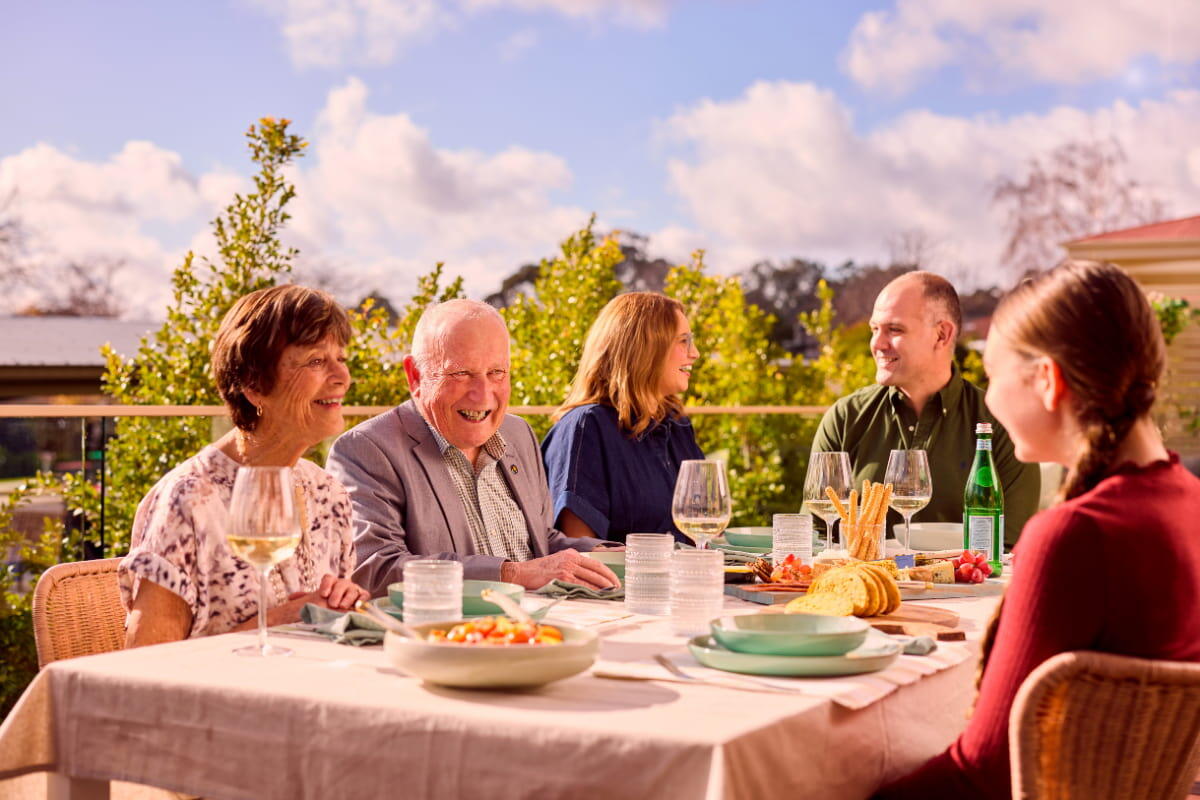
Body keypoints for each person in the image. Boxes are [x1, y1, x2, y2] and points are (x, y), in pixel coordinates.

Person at [875, 261, 1200, 799]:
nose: (989, 398)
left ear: (1047, 381)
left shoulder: (1076, 536)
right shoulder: (1186, 501)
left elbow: (983, 775)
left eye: (994, 375)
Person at [119, 285, 368, 645]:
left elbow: (330, 626)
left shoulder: (328, 493)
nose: (342, 376)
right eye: (316, 361)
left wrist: (343, 601)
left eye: (341, 358)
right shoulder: (189, 500)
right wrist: (279, 622)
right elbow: (146, 662)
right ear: (254, 385)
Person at [325, 299, 619, 597]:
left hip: (538, 621)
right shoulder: (365, 449)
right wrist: (512, 574)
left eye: (497, 372)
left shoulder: (518, 434)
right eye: (461, 373)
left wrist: (613, 557)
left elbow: (540, 543)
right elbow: (375, 569)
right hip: (448, 625)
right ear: (415, 376)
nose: (482, 395)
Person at [811, 271, 1040, 546]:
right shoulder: (845, 418)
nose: (877, 344)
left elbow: (1008, 546)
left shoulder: (1000, 421)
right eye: (875, 329)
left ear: (942, 334)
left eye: (895, 330)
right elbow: (817, 537)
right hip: (861, 575)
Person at [541, 292, 704, 543]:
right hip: (625, 572)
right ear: (645, 348)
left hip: (688, 568)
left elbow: (703, 529)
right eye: (684, 341)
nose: (695, 353)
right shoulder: (586, 427)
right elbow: (580, 551)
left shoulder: (677, 424)